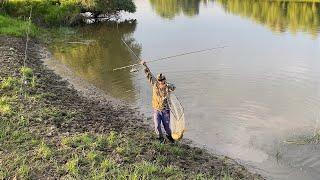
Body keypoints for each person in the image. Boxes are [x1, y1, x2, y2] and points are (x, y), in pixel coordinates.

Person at [140, 60, 176, 143]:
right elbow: (148, 74)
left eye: (162, 80)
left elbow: (174, 87)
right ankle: (161, 138)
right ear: (157, 80)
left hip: (165, 110)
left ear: (165, 80)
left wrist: (167, 85)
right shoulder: (154, 84)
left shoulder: (168, 86)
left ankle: (170, 138)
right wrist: (144, 65)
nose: (160, 81)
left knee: (167, 127)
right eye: (159, 80)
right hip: (156, 109)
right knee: (157, 126)